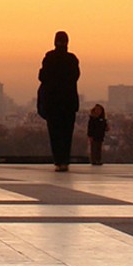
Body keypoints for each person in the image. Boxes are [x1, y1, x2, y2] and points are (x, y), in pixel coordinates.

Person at [36, 30, 80, 171]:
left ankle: (58, 161)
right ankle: (65, 161)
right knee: (67, 133)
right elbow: (75, 77)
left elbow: (42, 77)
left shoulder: (49, 58)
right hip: (68, 102)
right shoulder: (72, 59)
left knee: (55, 133)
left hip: (53, 102)